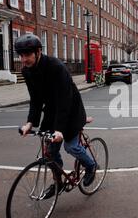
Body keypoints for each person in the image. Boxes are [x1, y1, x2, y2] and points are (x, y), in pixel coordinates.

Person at [15, 34, 96, 199]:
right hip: (52, 112)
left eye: (27, 55)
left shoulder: (56, 67)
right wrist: (30, 123)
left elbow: (65, 100)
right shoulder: (27, 71)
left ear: (38, 52)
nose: (23, 59)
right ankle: (58, 181)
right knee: (50, 152)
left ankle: (91, 166)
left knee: (70, 146)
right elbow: (36, 99)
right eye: (21, 55)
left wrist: (59, 130)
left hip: (71, 110)